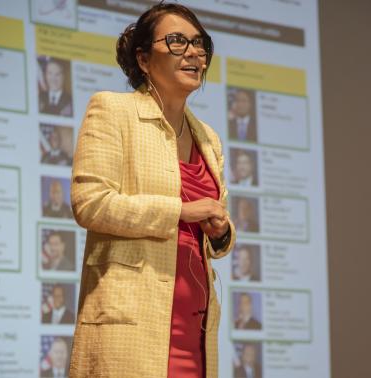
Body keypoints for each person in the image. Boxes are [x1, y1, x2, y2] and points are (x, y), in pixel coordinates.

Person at [68, 3, 236, 378]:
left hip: (195, 331)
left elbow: (211, 230)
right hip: (130, 329)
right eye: (177, 41)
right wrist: (180, 211)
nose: (194, 53)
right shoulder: (113, 110)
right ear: (143, 59)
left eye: (200, 43)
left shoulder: (209, 138)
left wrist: (221, 232)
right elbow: (91, 203)